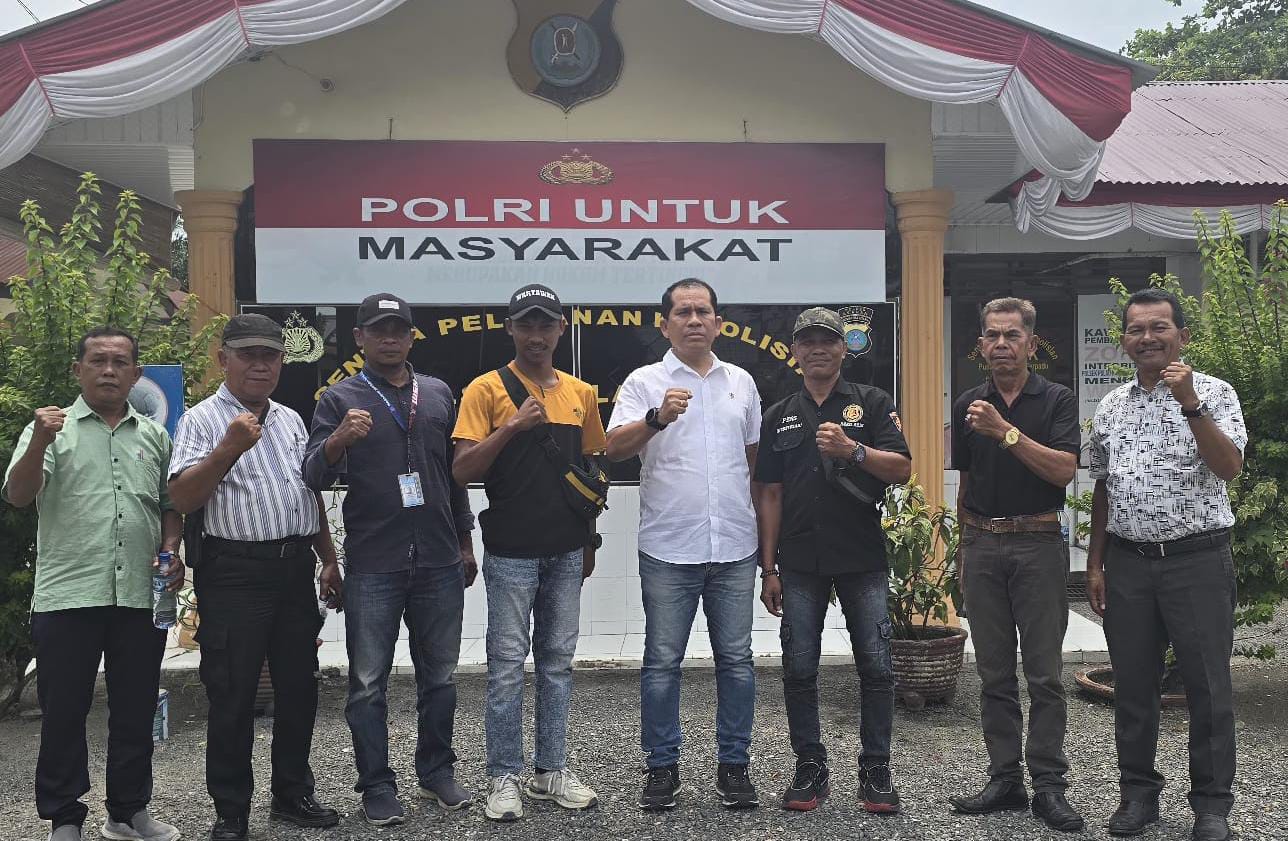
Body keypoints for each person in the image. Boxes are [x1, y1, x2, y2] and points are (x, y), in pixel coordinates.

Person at [303, 292, 477, 826]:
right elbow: (311, 476)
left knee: (440, 677)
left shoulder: (439, 393)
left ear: (410, 337)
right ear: (359, 338)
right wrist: (338, 440)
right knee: (367, 683)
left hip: (439, 558)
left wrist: (466, 541)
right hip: (374, 561)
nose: (389, 339)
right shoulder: (339, 399)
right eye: (378, 330)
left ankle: (436, 771)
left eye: (398, 330)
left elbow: (454, 474)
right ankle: (376, 785)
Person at [3, 327, 182, 841]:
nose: (108, 370)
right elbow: (18, 495)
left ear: (136, 374)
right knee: (64, 710)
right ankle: (64, 817)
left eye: (120, 362)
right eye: (98, 360)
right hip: (68, 595)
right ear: (77, 370)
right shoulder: (49, 429)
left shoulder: (154, 435)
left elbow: (170, 505)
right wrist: (40, 439)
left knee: (135, 709)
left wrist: (172, 548)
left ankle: (128, 811)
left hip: (139, 595)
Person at [168, 314, 342, 841]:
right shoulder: (201, 419)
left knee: (298, 688)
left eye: (270, 355)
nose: (260, 365)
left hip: (293, 568)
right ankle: (231, 811)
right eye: (248, 355)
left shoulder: (291, 419)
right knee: (232, 693)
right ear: (224, 359)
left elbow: (308, 492)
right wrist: (228, 448)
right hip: (234, 573)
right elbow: (182, 498)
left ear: (282, 362)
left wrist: (328, 557)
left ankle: (292, 794)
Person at [1087, 288, 1245, 841]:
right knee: (1133, 686)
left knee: (1208, 686)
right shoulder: (1112, 406)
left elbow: (1228, 468)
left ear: (1182, 335)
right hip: (1129, 563)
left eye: (1159, 327)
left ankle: (1211, 806)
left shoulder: (1215, 393)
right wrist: (1095, 564)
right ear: (1124, 341)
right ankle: (1138, 795)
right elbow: (1103, 487)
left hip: (1196, 561)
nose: (1148, 338)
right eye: (1137, 329)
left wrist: (1190, 404)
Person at [605, 278, 762, 811]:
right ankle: (661, 767)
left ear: (718, 323)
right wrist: (656, 419)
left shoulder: (741, 381)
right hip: (668, 548)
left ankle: (734, 766)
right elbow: (611, 448)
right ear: (664, 324)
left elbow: (753, 462)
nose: (694, 320)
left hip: (735, 546)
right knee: (661, 663)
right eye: (683, 312)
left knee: (737, 662)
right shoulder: (643, 382)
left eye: (703, 311)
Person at [452, 283, 606, 821]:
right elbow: (463, 469)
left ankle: (550, 771)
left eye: (546, 325)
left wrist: (589, 542)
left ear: (561, 329)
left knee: (558, 664)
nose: (536, 335)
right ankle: (503, 777)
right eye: (526, 324)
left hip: (566, 550)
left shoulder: (582, 393)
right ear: (510, 329)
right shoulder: (486, 389)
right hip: (511, 552)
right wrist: (512, 426)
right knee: (505, 667)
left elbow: (590, 475)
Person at [754, 307, 911, 814]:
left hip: (861, 556)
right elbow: (769, 493)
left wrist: (853, 450)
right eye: (808, 342)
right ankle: (810, 766)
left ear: (844, 348)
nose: (818, 349)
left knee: (877, 667)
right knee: (799, 668)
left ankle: (876, 769)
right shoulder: (779, 414)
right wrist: (769, 568)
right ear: (795, 352)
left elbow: (902, 469)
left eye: (828, 340)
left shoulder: (873, 403)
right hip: (800, 561)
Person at [947, 298, 1084, 832]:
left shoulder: (1056, 399)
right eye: (992, 335)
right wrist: (963, 551)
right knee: (993, 674)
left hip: (1037, 543)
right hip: (983, 544)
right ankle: (1005, 779)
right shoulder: (968, 403)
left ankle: (1049, 785)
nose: (1001, 344)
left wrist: (1005, 431)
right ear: (980, 345)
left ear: (1031, 342)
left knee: (1045, 675)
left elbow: (1063, 471)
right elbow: (967, 484)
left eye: (1011, 335)